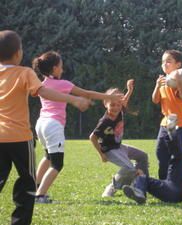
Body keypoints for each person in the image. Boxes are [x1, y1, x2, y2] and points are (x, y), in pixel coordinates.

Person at [0, 30, 90, 225]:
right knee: (27, 182)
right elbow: (44, 91)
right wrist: (73, 99)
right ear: (18, 53)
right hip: (20, 139)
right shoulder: (25, 72)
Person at [33, 51, 122, 203]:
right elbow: (87, 94)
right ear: (54, 68)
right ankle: (40, 195)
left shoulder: (43, 84)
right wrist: (109, 97)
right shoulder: (64, 84)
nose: (62, 69)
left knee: (47, 157)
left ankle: (34, 187)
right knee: (57, 164)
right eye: (61, 67)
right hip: (53, 125)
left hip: (41, 124)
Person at [122, 114, 182, 204]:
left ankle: (172, 133)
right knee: (145, 179)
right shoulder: (179, 172)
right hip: (170, 192)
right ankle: (139, 193)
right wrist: (141, 178)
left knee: (177, 157)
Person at [89, 80, 149, 197]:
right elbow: (92, 137)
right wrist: (102, 155)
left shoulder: (120, 109)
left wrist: (130, 90)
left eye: (118, 104)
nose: (116, 107)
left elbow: (124, 101)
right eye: (112, 105)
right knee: (129, 168)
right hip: (110, 150)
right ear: (105, 104)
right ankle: (111, 187)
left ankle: (143, 185)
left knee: (142, 156)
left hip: (119, 146)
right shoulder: (105, 122)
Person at [152, 49, 182, 179]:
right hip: (166, 122)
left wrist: (179, 81)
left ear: (178, 65)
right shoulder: (162, 81)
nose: (165, 64)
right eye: (163, 61)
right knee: (160, 152)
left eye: (169, 61)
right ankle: (163, 181)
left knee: (177, 153)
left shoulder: (180, 80)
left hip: (179, 122)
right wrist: (157, 86)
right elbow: (155, 100)